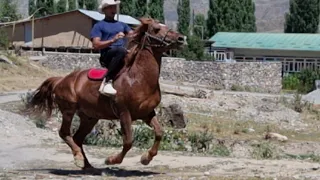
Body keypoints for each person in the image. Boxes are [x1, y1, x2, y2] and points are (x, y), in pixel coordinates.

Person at [90, 0, 134, 96]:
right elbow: (96, 45)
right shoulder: (98, 26)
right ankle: (107, 80)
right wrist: (113, 40)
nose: (113, 9)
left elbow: (132, 35)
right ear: (104, 10)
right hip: (108, 55)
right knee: (120, 50)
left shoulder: (122, 24)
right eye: (110, 7)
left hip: (121, 54)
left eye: (114, 7)